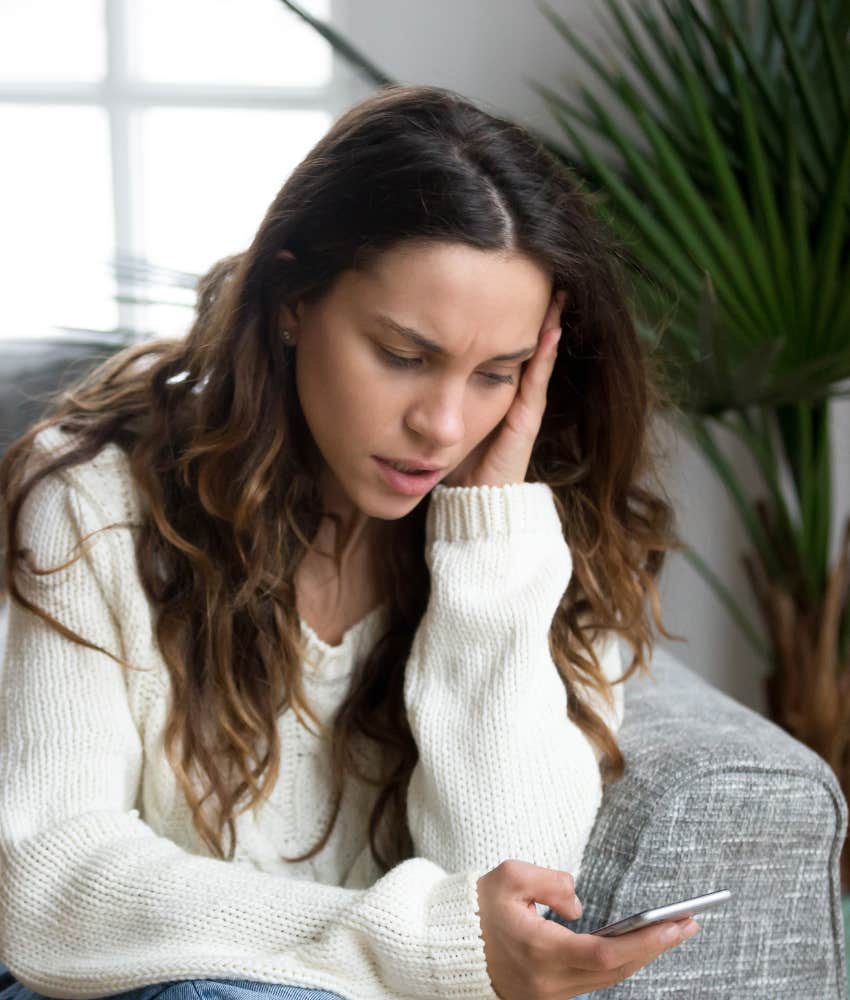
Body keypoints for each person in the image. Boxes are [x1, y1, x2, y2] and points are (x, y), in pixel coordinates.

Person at [0, 83, 696, 1000]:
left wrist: (484, 546)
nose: (444, 424)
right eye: (403, 355)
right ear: (293, 299)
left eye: (498, 374)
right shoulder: (94, 494)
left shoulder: (532, 538)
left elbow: (515, 911)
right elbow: (49, 881)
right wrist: (412, 941)